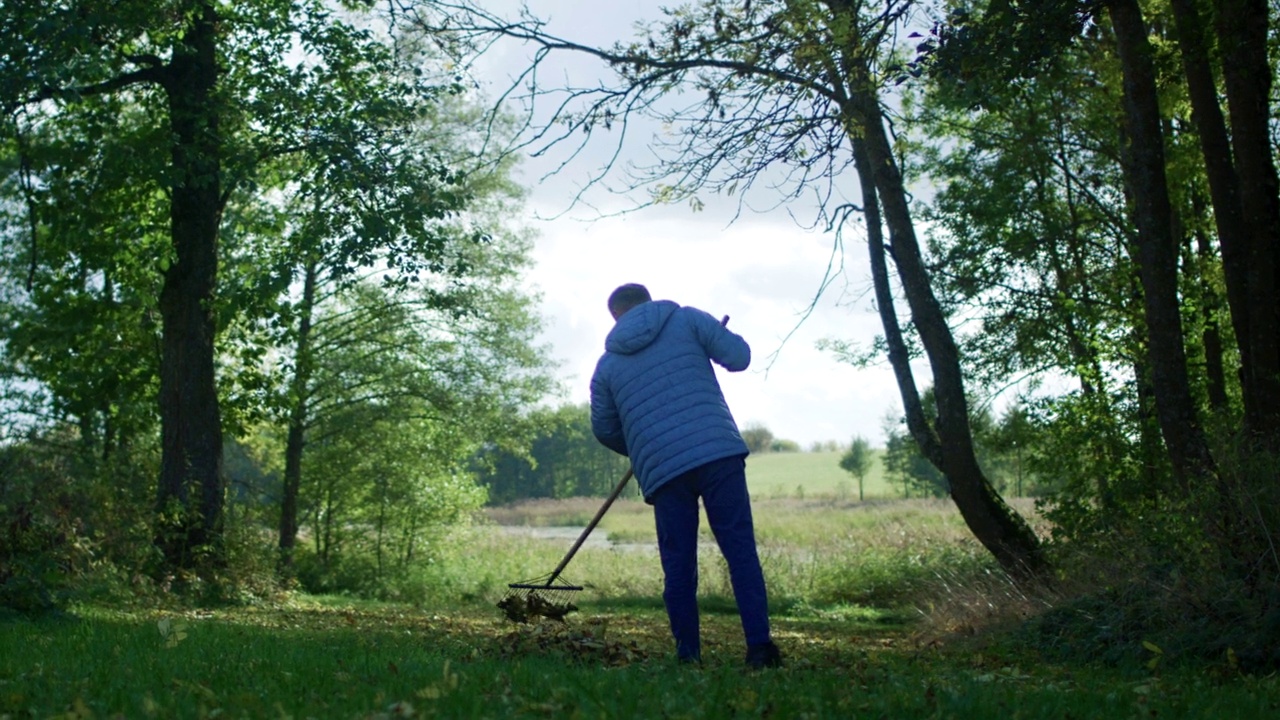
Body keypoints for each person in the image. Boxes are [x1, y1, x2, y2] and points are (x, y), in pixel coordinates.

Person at [589, 283, 782, 669]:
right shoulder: (688, 320)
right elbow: (739, 357)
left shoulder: (606, 367)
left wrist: (646, 445)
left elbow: (605, 429)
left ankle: (688, 655)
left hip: (663, 470)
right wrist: (717, 334)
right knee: (740, 552)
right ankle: (760, 649)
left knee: (678, 564)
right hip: (717, 453)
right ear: (649, 301)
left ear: (615, 317)